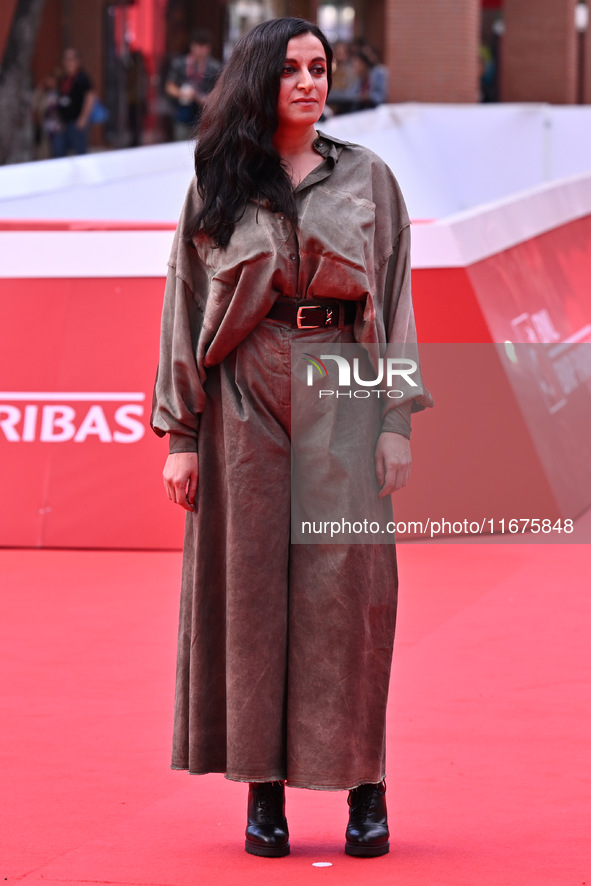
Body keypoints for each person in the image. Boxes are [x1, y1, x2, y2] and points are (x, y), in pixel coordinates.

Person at [151, 17, 431, 859]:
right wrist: (182, 434)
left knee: (350, 592)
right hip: (243, 390)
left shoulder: (368, 180)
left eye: (320, 67)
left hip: (340, 378)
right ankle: (262, 791)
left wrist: (394, 420)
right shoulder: (218, 183)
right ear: (259, 80)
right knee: (250, 593)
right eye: (291, 69)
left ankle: (364, 787)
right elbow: (182, 305)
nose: (309, 82)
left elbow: (394, 296)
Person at [165, 30, 222, 141]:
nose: (201, 50)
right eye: (198, 46)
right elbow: (169, 86)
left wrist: (208, 99)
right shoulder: (180, 63)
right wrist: (184, 94)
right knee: (180, 145)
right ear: (192, 46)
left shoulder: (215, 67)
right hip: (183, 112)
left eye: (204, 46)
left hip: (205, 114)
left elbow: (220, 89)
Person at [50, 48, 95, 158]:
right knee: (58, 150)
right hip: (63, 122)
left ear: (77, 61)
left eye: (71, 59)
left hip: (76, 121)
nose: (68, 62)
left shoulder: (82, 78)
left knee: (80, 151)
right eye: (65, 59)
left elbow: (90, 97)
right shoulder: (63, 78)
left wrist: (84, 117)